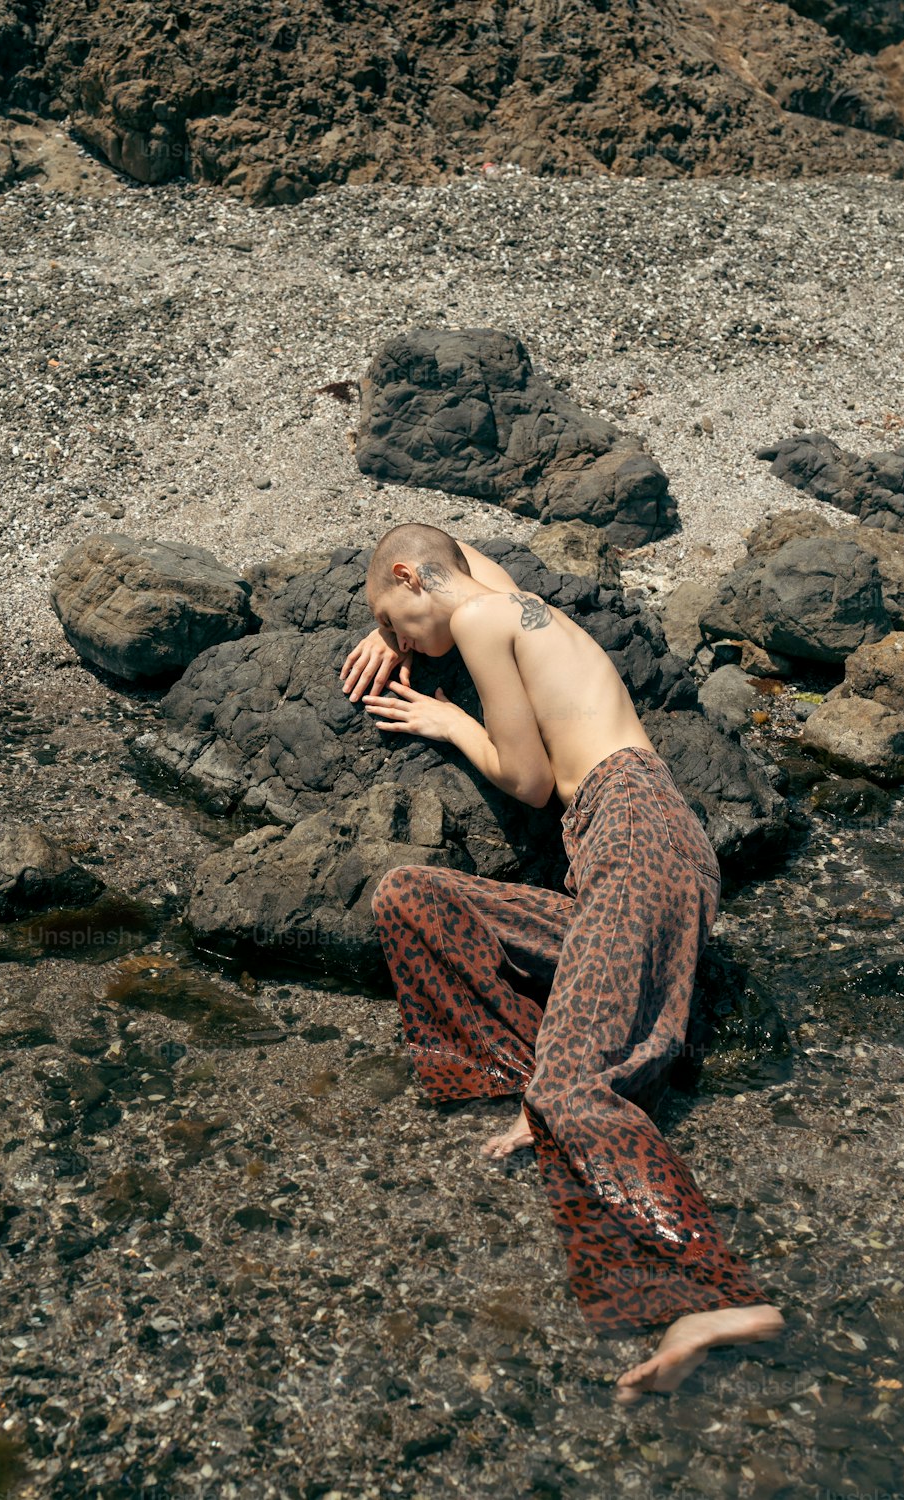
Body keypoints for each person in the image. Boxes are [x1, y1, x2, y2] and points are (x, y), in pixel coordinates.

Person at [340, 522, 785, 1398]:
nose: (398, 645)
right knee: (411, 898)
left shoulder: (475, 620)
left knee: (573, 1092)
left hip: (636, 841)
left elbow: (528, 779)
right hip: (615, 862)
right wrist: (391, 618)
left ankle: (715, 1294)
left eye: (393, 620)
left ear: (410, 576)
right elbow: (453, 559)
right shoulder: (497, 600)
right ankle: (543, 1079)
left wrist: (446, 718)